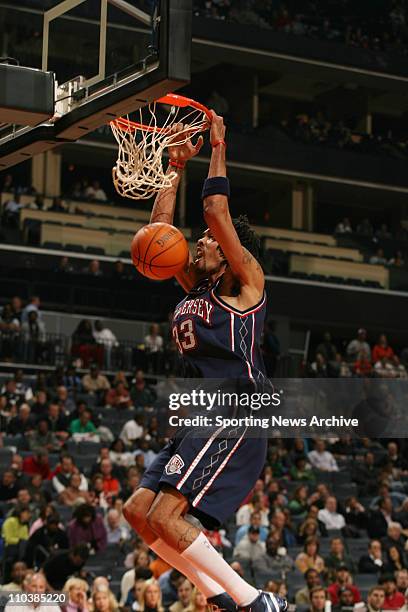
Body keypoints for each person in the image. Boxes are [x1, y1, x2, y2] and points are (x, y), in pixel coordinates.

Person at [123, 113, 287, 612]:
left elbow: (216, 207)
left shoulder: (247, 281)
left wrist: (217, 145)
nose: (201, 240)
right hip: (206, 411)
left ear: (234, 249)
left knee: (171, 519)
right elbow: (158, 235)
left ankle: (254, 600)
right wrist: (173, 170)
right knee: (139, 513)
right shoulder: (200, 287)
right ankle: (219, 594)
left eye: (211, 239)